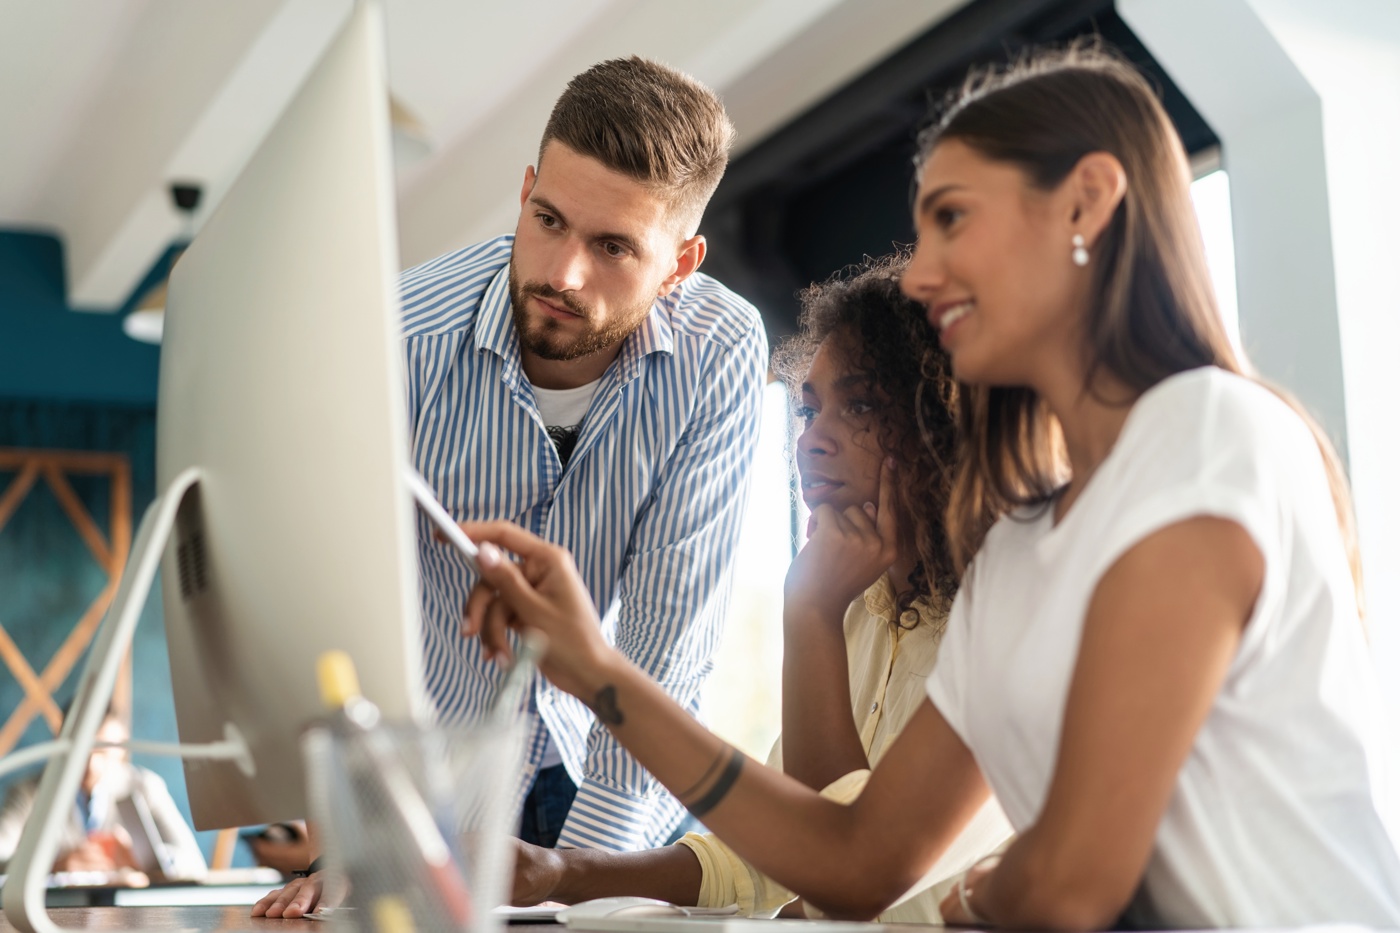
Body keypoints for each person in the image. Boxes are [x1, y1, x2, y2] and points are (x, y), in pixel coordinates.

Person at [459, 43, 1400, 929]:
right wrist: (595, 667)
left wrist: (1002, 892)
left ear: (1087, 202)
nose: (928, 270)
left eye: (952, 218)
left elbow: (1072, 879)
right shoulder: (1025, 555)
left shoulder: (1209, 432)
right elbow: (859, 859)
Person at [253, 55, 766, 920]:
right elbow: (332, 625)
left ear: (681, 262)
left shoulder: (721, 354)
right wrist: (362, 849)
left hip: (607, 781)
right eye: (548, 219)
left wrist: (584, 889)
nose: (563, 273)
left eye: (612, 247)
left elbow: (667, 645)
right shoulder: (399, 345)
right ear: (526, 188)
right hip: (424, 796)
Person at [508, 256, 1011, 921]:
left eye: (858, 404)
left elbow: (839, 865)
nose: (811, 443)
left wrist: (810, 614)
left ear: (942, 416)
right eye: (809, 411)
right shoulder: (863, 604)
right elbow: (775, 853)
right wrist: (560, 872)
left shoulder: (1003, 621)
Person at [0, 709, 207, 883]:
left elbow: (194, 865)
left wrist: (145, 859)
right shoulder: (29, 792)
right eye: (80, 748)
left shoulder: (144, 787)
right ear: (59, 741)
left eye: (102, 750)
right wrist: (52, 866)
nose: (90, 763)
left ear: (122, 746)